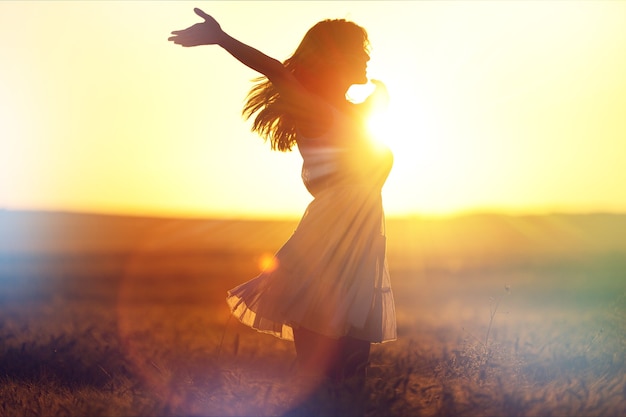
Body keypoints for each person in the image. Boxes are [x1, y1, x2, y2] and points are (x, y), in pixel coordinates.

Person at [169, 8, 396, 386]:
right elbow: (276, 70)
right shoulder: (314, 110)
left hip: (362, 242)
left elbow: (364, 138)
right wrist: (222, 38)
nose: (368, 57)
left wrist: (380, 99)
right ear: (336, 57)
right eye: (360, 50)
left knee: (353, 368)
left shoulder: (351, 114)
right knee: (322, 367)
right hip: (329, 240)